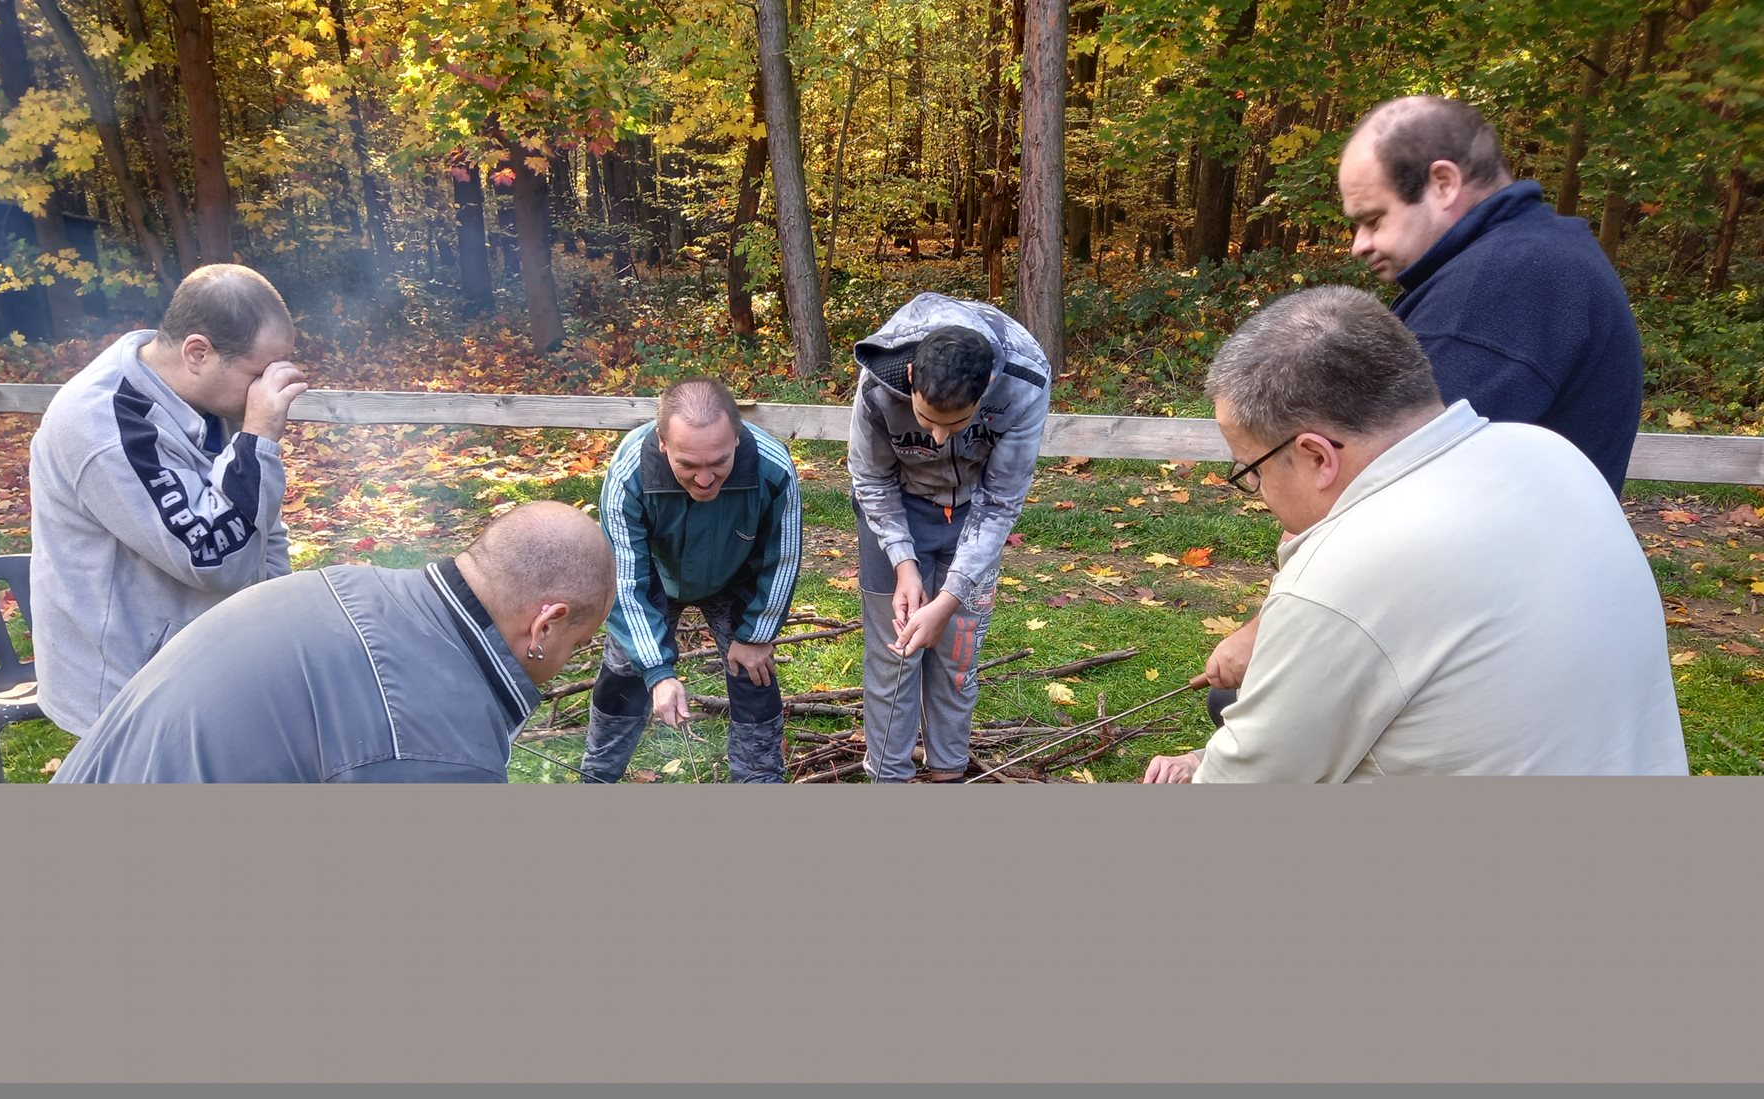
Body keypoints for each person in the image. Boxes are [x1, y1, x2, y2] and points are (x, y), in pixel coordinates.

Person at [1138, 286, 1685, 782]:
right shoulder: (1546, 450)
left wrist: (1205, 770)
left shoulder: (1349, 567)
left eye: (1251, 469)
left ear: (1316, 456)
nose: (1257, 489)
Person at [1204, 95, 1647, 700]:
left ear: (1443, 183)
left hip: (1503, 619)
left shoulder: (1499, 289)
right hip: (1530, 592)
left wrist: (1268, 633)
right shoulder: (1538, 255)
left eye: (1373, 218)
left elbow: (1385, 486)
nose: (1359, 244)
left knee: (1246, 701)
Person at [54, 501, 614, 783]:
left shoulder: (353, 584)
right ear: (546, 624)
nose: (569, 661)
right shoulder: (436, 744)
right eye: (578, 643)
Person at [29, 263, 309, 736]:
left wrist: (276, 623)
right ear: (197, 353)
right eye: (260, 372)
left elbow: (261, 526)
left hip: (203, 661)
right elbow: (214, 558)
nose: (272, 389)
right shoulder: (104, 426)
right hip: (127, 686)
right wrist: (258, 437)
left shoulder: (203, 395)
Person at [847, 293, 1051, 781]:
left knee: (957, 654)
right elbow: (871, 479)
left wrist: (950, 598)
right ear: (911, 377)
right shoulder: (879, 383)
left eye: (955, 423)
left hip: (975, 512)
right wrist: (903, 564)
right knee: (896, 655)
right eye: (926, 420)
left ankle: (949, 775)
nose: (938, 439)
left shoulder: (1024, 383)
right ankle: (888, 780)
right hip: (895, 508)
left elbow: (1000, 502)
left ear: (988, 388)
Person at [581, 378, 803, 783]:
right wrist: (658, 671)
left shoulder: (773, 468)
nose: (704, 479)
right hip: (655, 576)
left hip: (737, 575)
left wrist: (758, 634)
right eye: (688, 465)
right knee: (624, 669)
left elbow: (782, 557)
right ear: (662, 442)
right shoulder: (630, 471)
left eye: (718, 462)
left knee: (754, 673)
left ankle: (760, 783)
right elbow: (624, 578)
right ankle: (597, 777)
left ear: (737, 437)